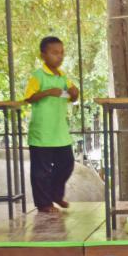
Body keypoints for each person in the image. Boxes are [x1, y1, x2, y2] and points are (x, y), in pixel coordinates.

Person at [24, 36, 80, 213]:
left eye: (62, 53)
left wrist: (75, 92)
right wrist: (47, 92)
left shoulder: (63, 77)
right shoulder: (38, 76)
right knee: (41, 171)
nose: (59, 56)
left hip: (60, 132)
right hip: (42, 133)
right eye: (55, 53)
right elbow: (29, 98)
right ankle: (44, 204)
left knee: (67, 164)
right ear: (43, 55)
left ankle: (56, 194)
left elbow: (73, 97)